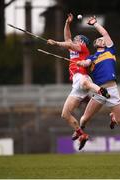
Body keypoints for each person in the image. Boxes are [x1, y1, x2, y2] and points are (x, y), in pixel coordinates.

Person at [47, 13, 110, 150]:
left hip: (82, 78)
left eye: (76, 39)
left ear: (81, 42)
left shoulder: (83, 48)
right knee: (65, 114)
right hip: (75, 85)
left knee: (84, 83)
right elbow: (68, 39)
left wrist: (56, 43)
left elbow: (68, 42)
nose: (73, 40)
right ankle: (82, 135)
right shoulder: (73, 49)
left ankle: (100, 90)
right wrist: (67, 23)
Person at [76, 16, 120, 144]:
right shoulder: (92, 57)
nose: (100, 40)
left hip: (112, 90)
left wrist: (95, 24)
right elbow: (86, 63)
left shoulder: (110, 50)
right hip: (99, 91)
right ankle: (80, 132)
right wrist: (81, 63)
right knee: (84, 119)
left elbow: (105, 33)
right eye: (98, 39)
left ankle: (113, 117)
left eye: (101, 39)